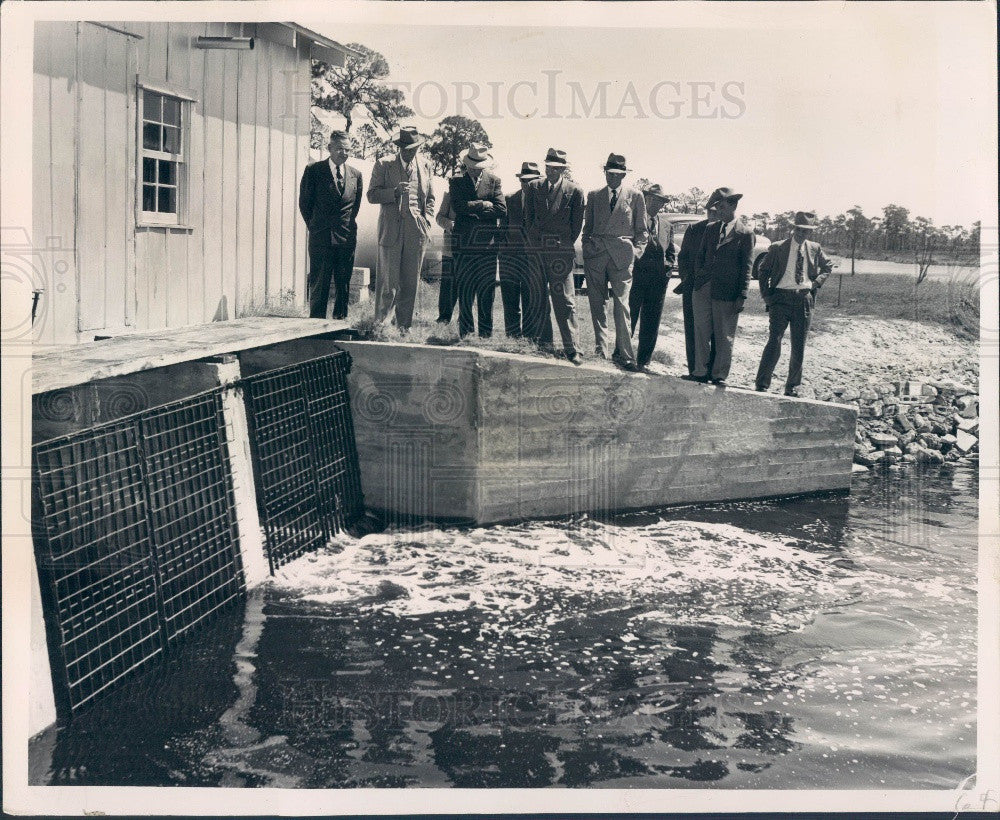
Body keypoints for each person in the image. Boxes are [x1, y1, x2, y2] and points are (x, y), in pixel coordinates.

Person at [754, 211, 834, 395]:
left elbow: (828, 266)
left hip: (804, 300)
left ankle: (792, 387)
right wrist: (767, 295)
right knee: (774, 341)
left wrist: (815, 283)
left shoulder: (815, 248)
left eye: (806, 231)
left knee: (799, 345)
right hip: (780, 299)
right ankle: (762, 384)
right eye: (799, 229)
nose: (801, 233)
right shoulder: (777, 247)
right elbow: (763, 270)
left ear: (810, 232)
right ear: (793, 229)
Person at [581, 153, 647, 370]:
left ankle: (626, 354)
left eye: (618, 175)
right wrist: (588, 247)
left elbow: (642, 232)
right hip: (597, 256)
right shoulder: (594, 195)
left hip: (622, 257)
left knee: (621, 304)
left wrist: (635, 254)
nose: (614, 178)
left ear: (624, 175)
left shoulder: (635, 196)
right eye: (610, 174)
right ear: (605, 173)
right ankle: (601, 350)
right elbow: (587, 228)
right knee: (597, 303)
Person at [367, 126, 436, 331]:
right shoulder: (384, 164)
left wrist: (427, 221)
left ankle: (403, 327)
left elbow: (430, 199)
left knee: (410, 282)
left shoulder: (425, 165)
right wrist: (394, 193)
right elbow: (372, 195)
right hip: (391, 230)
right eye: (406, 148)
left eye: (413, 148)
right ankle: (381, 326)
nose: (410, 152)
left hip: (416, 232)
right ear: (399, 147)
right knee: (388, 282)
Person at [523, 148, 586, 364]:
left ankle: (573, 349)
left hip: (561, 254)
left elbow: (576, 226)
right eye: (548, 167)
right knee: (538, 298)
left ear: (562, 170)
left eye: (556, 168)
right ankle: (544, 345)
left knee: (565, 301)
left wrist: (562, 244)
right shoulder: (533, 187)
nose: (551, 171)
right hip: (537, 252)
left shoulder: (575, 191)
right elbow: (528, 219)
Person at [688, 186, 754, 386]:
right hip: (703, 289)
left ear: (733, 206)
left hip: (727, 292)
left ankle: (719, 375)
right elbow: (700, 256)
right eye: (716, 207)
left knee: (724, 335)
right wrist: (699, 278)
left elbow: (747, 267)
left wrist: (742, 294)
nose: (718, 211)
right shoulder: (710, 229)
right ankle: (699, 372)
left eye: (722, 206)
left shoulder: (745, 234)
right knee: (700, 331)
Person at [298, 130, 363, 319]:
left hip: (346, 238)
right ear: (330, 148)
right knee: (320, 283)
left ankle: (340, 323)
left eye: (347, 149)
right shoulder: (314, 171)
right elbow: (305, 205)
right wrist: (316, 228)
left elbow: (354, 208)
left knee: (343, 283)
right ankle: (316, 326)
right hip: (321, 238)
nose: (344, 153)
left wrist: (345, 227)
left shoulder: (356, 175)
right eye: (340, 149)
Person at [449, 144, 506, 338]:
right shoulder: (456, 182)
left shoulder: (494, 181)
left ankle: (485, 334)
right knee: (465, 289)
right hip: (463, 245)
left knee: (486, 291)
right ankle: (465, 332)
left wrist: (471, 209)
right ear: (466, 164)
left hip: (487, 246)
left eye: (478, 165)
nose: (474, 168)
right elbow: (458, 207)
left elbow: (501, 209)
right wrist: (483, 204)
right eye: (471, 165)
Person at [629, 183, 676, 369]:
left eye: (661, 202)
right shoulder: (634, 220)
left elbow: (671, 252)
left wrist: (668, 270)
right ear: (645, 199)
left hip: (658, 283)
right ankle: (622, 355)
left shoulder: (666, 226)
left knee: (651, 323)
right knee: (629, 318)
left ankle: (644, 361)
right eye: (654, 200)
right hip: (636, 279)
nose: (657, 205)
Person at [674, 194, 721, 376]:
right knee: (693, 329)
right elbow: (683, 256)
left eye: (717, 211)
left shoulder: (726, 231)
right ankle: (695, 370)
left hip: (717, 290)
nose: (713, 215)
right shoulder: (694, 229)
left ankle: (712, 372)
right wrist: (687, 279)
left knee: (716, 332)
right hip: (693, 286)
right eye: (710, 211)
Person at [499, 161, 543, 338]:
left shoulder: (542, 202)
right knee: (510, 300)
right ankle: (512, 337)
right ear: (520, 181)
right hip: (509, 257)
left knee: (530, 300)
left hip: (532, 259)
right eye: (524, 180)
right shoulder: (509, 199)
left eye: (532, 181)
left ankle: (529, 337)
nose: (528, 185)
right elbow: (502, 228)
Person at [435, 188, 458, 324]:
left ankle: (464, 319)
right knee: (448, 285)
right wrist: (449, 224)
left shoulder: (482, 192)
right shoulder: (450, 194)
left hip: (469, 248)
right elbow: (439, 217)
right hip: (450, 247)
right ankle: (444, 318)